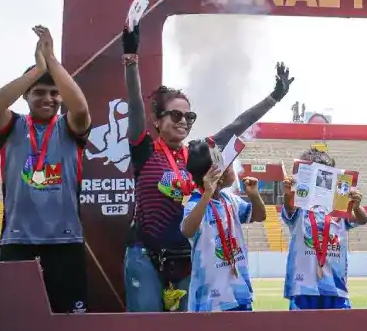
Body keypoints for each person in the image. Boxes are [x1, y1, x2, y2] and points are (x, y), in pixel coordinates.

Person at [121, 23, 293, 312]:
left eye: (190, 116)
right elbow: (136, 105)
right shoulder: (145, 150)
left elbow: (239, 124)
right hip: (145, 255)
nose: (184, 122)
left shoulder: (196, 153)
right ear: (158, 120)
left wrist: (274, 97)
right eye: (176, 115)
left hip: (186, 257)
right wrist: (130, 57)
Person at [0, 26, 92, 313]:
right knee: (15, 320)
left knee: (72, 322)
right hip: (17, 240)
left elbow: (80, 109)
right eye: (39, 93)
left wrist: (51, 61)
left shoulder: (69, 127)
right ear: (26, 96)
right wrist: (36, 71)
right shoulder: (12, 127)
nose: (48, 99)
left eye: (55, 93)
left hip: (65, 240)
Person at [181, 143, 267, 312]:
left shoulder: (230, 200)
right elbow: (187, 230)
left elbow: (260, 216)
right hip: (210, 301)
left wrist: (254, 196)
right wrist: (207, 193)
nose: (232, 166)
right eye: (226, 164)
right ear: (215, 175)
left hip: (239, 292)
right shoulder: (195, 204)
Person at [280, 149, 367, 310]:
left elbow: (362, 220)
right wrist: (288, 194)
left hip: (335, 287)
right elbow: (289, 208)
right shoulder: (299, 208)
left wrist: (357, 205)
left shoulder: (339, 207)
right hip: (303, 287)